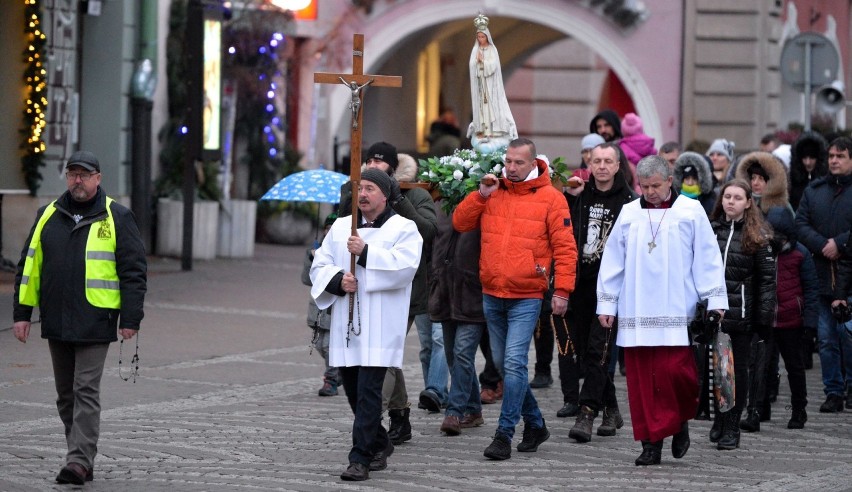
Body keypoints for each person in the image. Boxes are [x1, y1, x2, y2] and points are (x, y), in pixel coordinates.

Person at [12, 150, 147, 485]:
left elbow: (134, 271)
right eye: (73, 174)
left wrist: (130, 318)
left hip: (95, 319)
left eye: (84, 175)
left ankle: (77, 461)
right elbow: (28, 267)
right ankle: (83, 456)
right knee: (65, 395)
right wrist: (22, 314)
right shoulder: (48, 215)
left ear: (98, 179)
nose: (78, 180)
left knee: (85, 389)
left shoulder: (116, 216)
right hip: (56, 319)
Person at [596, 155, 728, 466]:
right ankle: (650, 444)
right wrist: (607, 303)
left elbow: (707, 257)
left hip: (676, 309)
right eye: (644, 186)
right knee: (642, 382)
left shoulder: (690, 211)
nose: (650, 192)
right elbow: (613, 261)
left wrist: (715, 301)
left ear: (670, 181)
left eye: (656, 185)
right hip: (637, 308)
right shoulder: (629, 213)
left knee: (677, 375)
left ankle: (679, 420)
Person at [453, 137, 577, 460]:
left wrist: (562, 290)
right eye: (508, 161)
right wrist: (480, 194)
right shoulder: (492, 191)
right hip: (492, 293)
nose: (511, 167)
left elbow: (565, 248)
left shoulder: (552, 198)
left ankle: (504, 434)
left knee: (513, 363)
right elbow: (460, 222)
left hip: (527, 295)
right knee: (506, 367)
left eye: (518, 162)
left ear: (534, 163)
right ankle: (535, 424)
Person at [310, 168, 423, 481]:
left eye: (370, 189)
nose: (362, 195)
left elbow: (405, 267)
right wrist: (337, 280)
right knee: (351, 388)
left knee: (369, 393)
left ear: (385, 195)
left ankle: (359, 458)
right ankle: (380, 441)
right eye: (360, 189)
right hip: (348, 323)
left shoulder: (405, 228)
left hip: (381, 323)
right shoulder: (343, 226)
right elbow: (320, 264)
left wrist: (365, 253)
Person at [339, 142, 439, 443]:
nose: (373, 164)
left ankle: (371, 424)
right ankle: (397, 415)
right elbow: (344, 224)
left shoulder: (416, 194)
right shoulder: (359, 192)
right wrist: (353, 193)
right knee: (384, 356)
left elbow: (427, 232)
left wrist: (397, 198)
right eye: (368, 160)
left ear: (392, 168)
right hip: (367, 292)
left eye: (380, 162)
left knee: (395, 353)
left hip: (408, 290)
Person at [561, 143, 637, 442]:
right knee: (586, 354)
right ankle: (613, 408)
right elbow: (563, 230)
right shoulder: (580, 196)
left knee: (599, 351)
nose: (602, 166)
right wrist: (569, 198)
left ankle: (587, 413)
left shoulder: (631, 203)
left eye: (608, 161)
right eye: (597, 161)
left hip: (612, 292)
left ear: (618, 165)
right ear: (589, 164)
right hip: (580, 286)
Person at [709, 180, 776, 451]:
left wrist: (763, 320)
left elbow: (767, 282)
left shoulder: (757, 236)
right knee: (716, 369)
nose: (731, 201)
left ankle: (733, 425)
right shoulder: (711, 231)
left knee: (736, 372)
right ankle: (720, 419)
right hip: (714, 314)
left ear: (748, 202)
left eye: (738, 197)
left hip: (742, 315)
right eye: (727, 196)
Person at [795, 136, 852, 413]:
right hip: (820, 275)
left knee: (848, 335)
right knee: (827, 338)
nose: (834, 161)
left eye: (840, 156)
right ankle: (833, 391)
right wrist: (822, 245)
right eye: (831, 156)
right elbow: (800, 224)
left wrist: (840, 243)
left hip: (849, 276)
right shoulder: (814, 190)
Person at [431, 199, 486, 435]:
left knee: (463, 353)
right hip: (444, 292)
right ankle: (474, 410)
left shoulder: (485, 204)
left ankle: (454, 411)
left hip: (473, 293)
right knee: (455, 356)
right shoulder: (440, 205)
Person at [765, 207, 817, 429]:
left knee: (794, 368)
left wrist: (810, 324)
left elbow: (811, 289)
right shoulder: (763, 251)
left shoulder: (800, 254)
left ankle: (799, 410)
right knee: (764, 366)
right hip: (767, 319)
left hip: (791, 320)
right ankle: (760, 407)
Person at [301, 213, 341, 396]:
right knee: (318, 345)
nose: (329, 231)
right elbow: (306, 279)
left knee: (329, 346)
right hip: (317, 308)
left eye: (333, 227)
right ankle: (341, 371)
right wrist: (312, 259)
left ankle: (331, 380)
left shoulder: (340, 249)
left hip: (333, 305)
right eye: (327, 228)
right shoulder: (316, 248)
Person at [468, 13, 517, 150]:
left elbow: (493, 66)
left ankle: (493, 131)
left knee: (491, 108)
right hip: (480, 85)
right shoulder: (476, 50)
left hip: (490, 86)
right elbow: (472, 67)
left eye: (482, 36)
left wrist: (482, 61)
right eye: (478, 37)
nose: (480, 39)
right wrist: (476, 63)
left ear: (487, 36)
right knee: (482, 109)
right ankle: (483, 131)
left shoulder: (491, 49)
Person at [789, 131, 829, 211]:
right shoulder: (791, 180)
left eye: (812, 158)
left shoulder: (827, 180)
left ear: (819, 158)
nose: (808, 162)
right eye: (804, 158)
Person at [673, 151, 717, 215]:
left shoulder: (710, 201)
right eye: (687, 178)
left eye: (694, 179)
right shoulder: (674, 198)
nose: (690, 183)